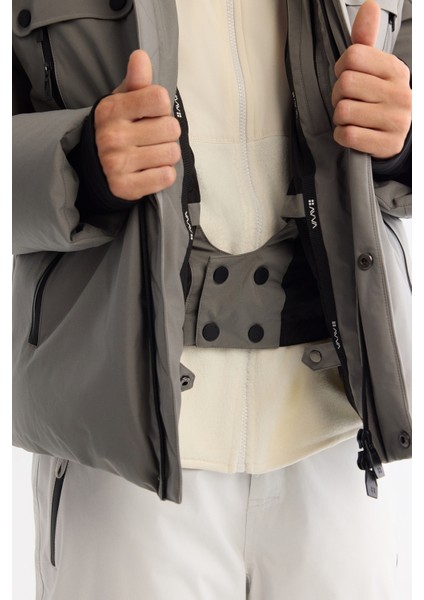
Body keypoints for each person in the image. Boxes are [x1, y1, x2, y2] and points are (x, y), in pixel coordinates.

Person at [12, 0, 412, 598]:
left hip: (338, 440)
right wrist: (78, 167)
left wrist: (398, 143)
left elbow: (403, 113)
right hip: (128, 451)